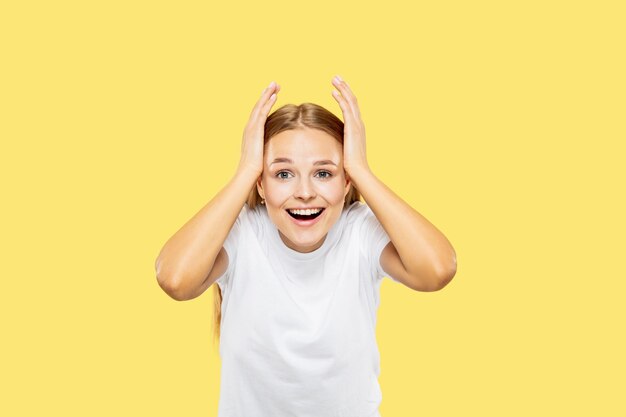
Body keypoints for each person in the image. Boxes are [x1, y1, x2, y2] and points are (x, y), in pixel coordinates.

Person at [155, 75, 457, 417]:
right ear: (262, 183)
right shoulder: (244, 233)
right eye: (283, 174)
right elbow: (175, 279)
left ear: (346, 182)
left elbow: (438, 269)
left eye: (324, 173)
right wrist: (245, 170)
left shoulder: (359, 230)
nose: (304, 192)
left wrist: (361, 169)